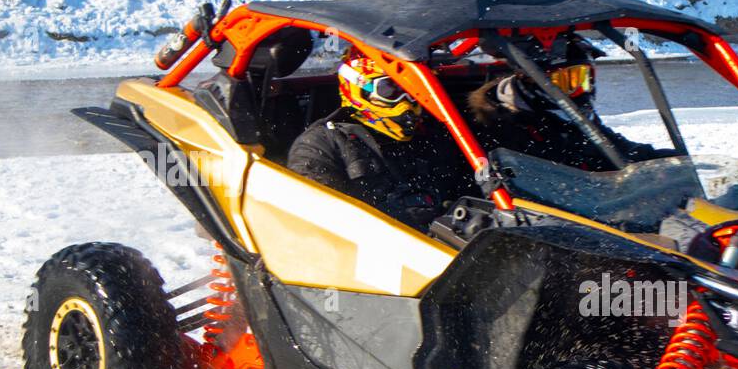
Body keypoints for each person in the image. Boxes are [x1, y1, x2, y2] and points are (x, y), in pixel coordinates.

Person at [286, 50, 462, 227]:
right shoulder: (319, 144)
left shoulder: (430, 134)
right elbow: (316, 221)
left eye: (410, 89)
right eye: (389, 89)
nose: (405, 100)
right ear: (360, 89)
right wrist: (399, 217)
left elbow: (463, 190)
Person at [464, 35, 674, 171]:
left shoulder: (573, 122)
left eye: (584, 79)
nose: (580, 90)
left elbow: (618, 151)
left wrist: (666, 162)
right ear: (531, 80)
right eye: (568, 81)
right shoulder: (494, 126)